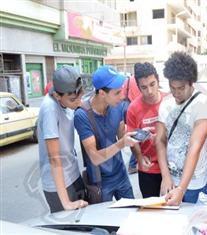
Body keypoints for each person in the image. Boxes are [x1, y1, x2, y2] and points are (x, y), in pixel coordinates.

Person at [155, 52, 207, 205]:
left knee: (195, 225)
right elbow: (160, 141)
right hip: (171, 182)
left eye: (180, 88)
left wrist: (181, 189)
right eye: (172, 87)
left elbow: (194, 147)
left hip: (195, 184)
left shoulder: (203, 103)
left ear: (191, 82)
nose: (176, 92)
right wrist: (166, 176)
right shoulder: (165, 104)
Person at [74, 65, 138, 202]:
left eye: (121, 91)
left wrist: (137, 133)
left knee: (132, 213)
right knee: (105, 221)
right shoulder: (82, 115)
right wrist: (122, 143)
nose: (122, 97)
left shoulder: (117, 106)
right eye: (117, 93)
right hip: (100, 181)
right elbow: (95, 158)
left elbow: (121, 135)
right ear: (102, 93)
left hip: (121, 174)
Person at [38, 65, 88, 213]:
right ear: (57, 95)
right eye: (74, 99)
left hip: (73, 174)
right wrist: (65, 202)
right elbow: (54, 158)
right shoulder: (50, 109)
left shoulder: (69, 98)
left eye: (80, 96)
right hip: (59, 185)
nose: (79, 102)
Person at [126, 62, 167, 198]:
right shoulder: (133, 108)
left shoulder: (170, 101)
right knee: (151, 213)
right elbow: (132, 139)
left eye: (152, 84)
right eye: (144, 87)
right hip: (148, 171)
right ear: (138, 87)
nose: (149, 91)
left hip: (171, 168)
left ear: (158, 81)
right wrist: (139, 156)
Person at [122, 75, 142, 174]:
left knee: (132, 135)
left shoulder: (128, 79)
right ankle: (132, 164)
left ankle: (133, 164)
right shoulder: (138, 80)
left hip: (125, 107)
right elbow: (140, 97)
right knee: (138, 137)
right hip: (133, 109)